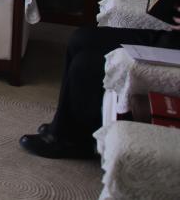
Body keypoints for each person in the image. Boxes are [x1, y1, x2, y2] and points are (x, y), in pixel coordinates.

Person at [19, 13, 180, 159]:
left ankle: (74, 140)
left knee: (85, 63)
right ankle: (62, 124)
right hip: (172, 39)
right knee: (80, 37)